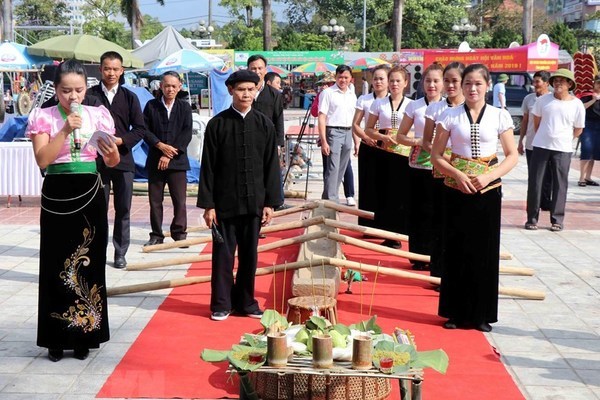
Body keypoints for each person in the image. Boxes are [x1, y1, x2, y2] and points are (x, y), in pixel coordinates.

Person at [26, 59, 120, 362]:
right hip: (57, 193)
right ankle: (55, 338)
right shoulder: (44, 117)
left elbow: (113, 162)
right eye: (66, 90)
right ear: (56, 90)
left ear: (86, 88)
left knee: (89, 264)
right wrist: (65, 129)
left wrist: (112, 151)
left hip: (89, 191)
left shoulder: (98, 115)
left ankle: (85, 336)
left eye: (78, 90)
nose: (73, 96)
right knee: (55, 264)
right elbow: (43, 160)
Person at [432, 63, 518, 332]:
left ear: (488, 85)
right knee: (455, 248)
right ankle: (455, 312)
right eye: (467, 83)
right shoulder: (450, 115)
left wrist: (489, 176)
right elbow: (435, 155)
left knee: (484, 250)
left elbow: (512, 155)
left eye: (478, 83)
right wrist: (458, 175)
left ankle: (481, 314)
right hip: (456, 188)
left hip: (488, 190)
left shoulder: (499, 116)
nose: (472, 88)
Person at [197, 70, 282, 321]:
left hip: (254, 202)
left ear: (256, 91)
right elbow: (208, 167)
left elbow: (271, 166)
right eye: (241, 89)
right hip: (224, 204)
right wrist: (208, 205)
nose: (246, 94)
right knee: (223, 256)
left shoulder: (264, 124)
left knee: (250, 256)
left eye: (250, 89)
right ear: (231, 90)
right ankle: (221, 304)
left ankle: (246, 302)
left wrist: (270, 203)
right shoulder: (217, 124)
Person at [89, 51, 146, 269]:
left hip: (123, 161)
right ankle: (96, 251)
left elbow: (140, 129)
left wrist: (121, 141)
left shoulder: (130, 97)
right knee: (97, 209)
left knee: (123, 209)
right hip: (96, 161)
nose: (111, 73)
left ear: (122, 71)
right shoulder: (90, 95)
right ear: (100, 70)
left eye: (115, 69)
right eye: (107, 68)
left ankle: (120, 253)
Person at [395, 63, 444, 270]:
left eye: (436, 81)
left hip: (444, 168)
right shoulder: (414, 107)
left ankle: (437, 255)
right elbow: (400, 136)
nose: (431, 85)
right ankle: (418, 255)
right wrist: (420, 142)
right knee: (418, 212)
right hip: (418, 166)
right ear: (422, 83)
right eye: (428, 80)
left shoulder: (450, 107)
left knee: (438, 213)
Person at [526, 69, 585, 232]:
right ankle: (532, 218)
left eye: (562, 80)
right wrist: (546, 136)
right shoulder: (543, 100)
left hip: (563, 149)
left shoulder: (577, 104)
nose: (558, 83)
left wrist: (564, 139)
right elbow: (537, 122)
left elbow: (578, 129)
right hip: (541, 146)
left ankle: (557, 220)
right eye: (556, 80)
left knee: (560, 185)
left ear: (570, 84)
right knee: (535, 183)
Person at [422, 62, 465, 281]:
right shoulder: (435, 109)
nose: (449, 85)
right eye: (446, 80)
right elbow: (427, 142)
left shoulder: (472, 107)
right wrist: (444, 158)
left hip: (467, 176)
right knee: (440, 222)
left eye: (454, 80)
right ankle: (439, 272)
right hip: (441, 172)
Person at [143, 71, 193, 246]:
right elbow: (144, 130)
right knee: (155, 201)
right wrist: (159, 146)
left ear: (179, 87)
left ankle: (179, 234)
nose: (170, 89)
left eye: (173, 86)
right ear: (161, 86)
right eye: (166, 86)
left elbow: (186, 133)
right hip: (156, 160)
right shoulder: (151, 106)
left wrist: (168, 154)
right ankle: (156, 234)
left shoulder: (185, 107)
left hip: (177, 161)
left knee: (179, 201)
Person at [365, 66, 412, 248]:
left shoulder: (411, 105)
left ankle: (402, 232)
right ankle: (388, 233)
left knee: (401, 193)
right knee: (384, 192)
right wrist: (383, 136)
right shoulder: (379, 103)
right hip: (382, 153)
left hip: (404, 155)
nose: (394, 84)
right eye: (391, 80)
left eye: (398, 81)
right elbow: (369, 129)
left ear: (405, 83)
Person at [247, 55, 288, 210]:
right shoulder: (245, 91)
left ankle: (271, 205)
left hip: (268, 143)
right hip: (247, 141)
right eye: (253, 68)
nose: (257, 71)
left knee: (269, 176)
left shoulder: (274, 94)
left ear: (265, 70)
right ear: (248, 69)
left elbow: (279, 120)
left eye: (259, 68)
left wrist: (279, 145)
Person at [312, 71, 357, 206]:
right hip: (333, 132)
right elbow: (321, 117)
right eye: (340, 77)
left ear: (351, 79)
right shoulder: (328, 93)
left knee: (342, 168)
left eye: (346, 77)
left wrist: (357, 141)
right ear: (336, 78)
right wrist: (324, 139)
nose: (343, 80)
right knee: (332, 168)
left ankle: (327, 199)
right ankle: (332, 202)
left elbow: (354, 119)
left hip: (348, 131)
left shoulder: (352, 94)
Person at [352, 65, 389, 225]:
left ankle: (386, 223)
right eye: (376, 78)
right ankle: (367, 224)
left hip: (388, 147)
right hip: (369, 144)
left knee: (387, 185)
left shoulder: (395, 101)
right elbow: (355, 124)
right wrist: (366, 138)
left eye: (382, 78)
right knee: (368, 185)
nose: (378, 81)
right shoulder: (364, 100)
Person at [518, 70, 553, 210]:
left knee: (548, 175)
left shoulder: (552, 99)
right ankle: (533, 203)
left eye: (538, 81)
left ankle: (545, 202)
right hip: (531, 144)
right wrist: (520, 140)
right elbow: (525, 121)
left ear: (546, 83)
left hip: (548, 144)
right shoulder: (529, 99)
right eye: (534, 81)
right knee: (533, 176)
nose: (535, 84)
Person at [577, 77, 600, 187]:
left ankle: (588, 177)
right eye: (598, 83)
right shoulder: (587, 95)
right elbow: (581, 108)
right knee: (586, 149)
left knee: (594, 152)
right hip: (588, 125)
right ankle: (581, 177)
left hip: (599, 126)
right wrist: (593, 100)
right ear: (594, 84)